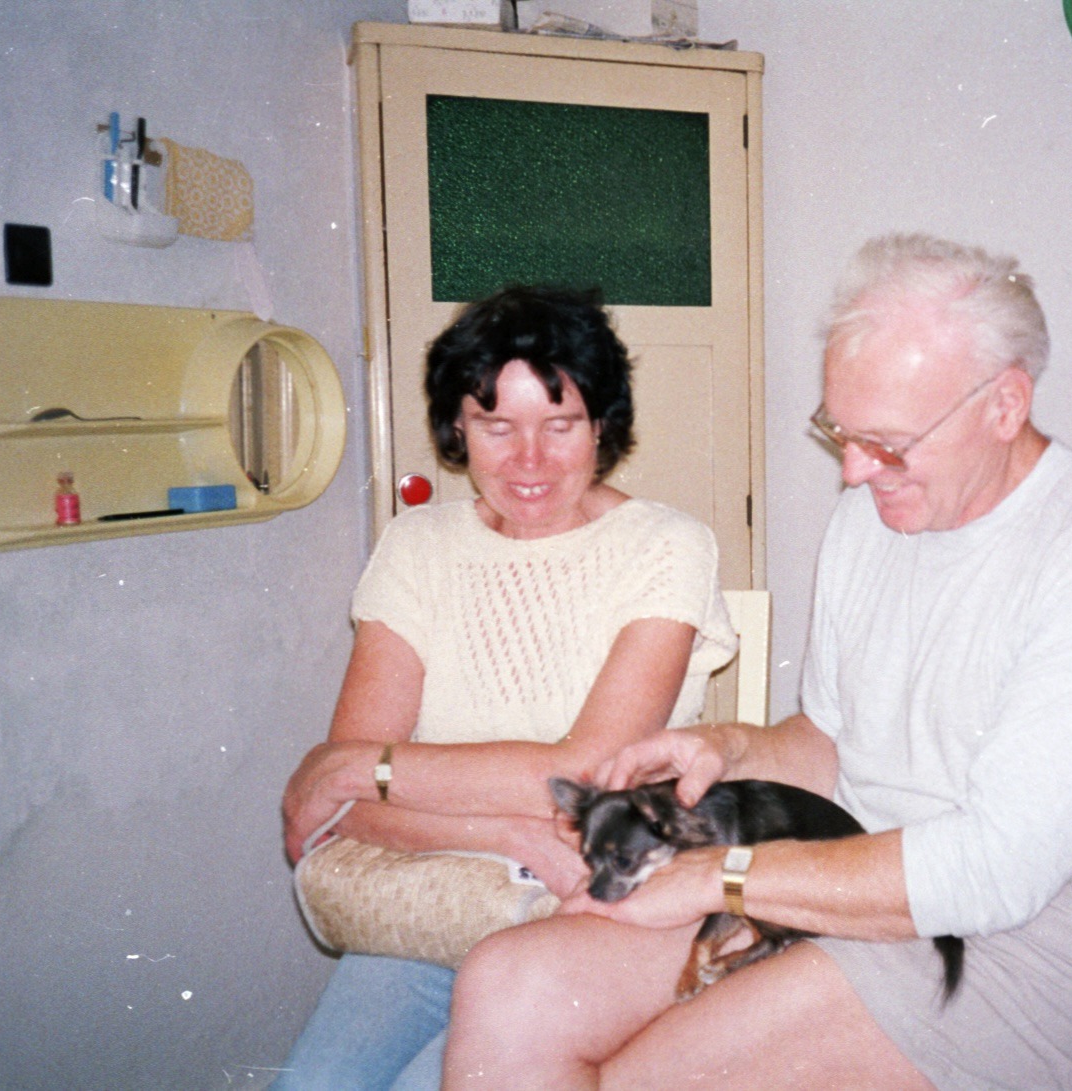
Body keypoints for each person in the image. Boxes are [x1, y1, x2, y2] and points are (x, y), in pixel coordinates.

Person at [442, 234, 1072, 1090]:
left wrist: (716, 876)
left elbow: (994, 870)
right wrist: (727, 749)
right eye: (838, 432)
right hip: (840, 869)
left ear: (1003, 405)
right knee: (507, 986)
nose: (851, 469)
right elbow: (832, 738)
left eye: (883, 442)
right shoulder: (872, 515)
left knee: (646, 1077)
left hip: (1029, 936)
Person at [274, 286, 737, 1090]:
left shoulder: (666, 545)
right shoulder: (418, 546)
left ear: (602, 425)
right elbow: (350, 804)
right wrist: (516, 837)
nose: (530, 460)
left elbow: (588, 774)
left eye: (559, 424)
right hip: (437, 898)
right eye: (497, 425)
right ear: (459, 426)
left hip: (596, 913)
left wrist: (360, 767)